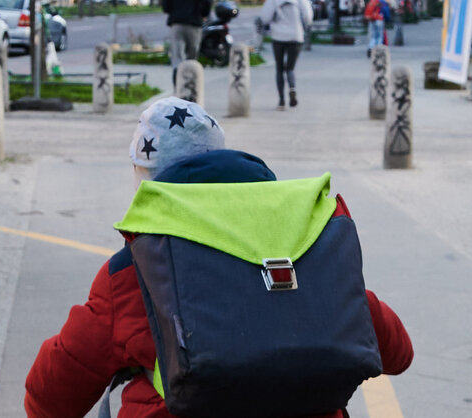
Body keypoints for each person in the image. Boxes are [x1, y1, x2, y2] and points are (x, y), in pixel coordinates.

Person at [24, 97, 414, 417]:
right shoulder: (301, 239)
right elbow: (398, 352)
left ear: (146, 182)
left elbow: (50, 399)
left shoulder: (133, 271)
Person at [260, 0, 313, 110]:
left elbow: (265, 17)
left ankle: (281, 101)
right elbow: (308, 16)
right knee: (290, 68)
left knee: (279, 69)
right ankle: (292, 87)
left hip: (278, 36)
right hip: (296, 36)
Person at [162, 0, 212, 85]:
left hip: (177, 22)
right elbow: (207, 3)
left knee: (177, 57)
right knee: (192, 56)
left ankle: (178, 87)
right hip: (194, 22)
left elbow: (166, 6)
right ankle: (191, 86)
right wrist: (203, 14)